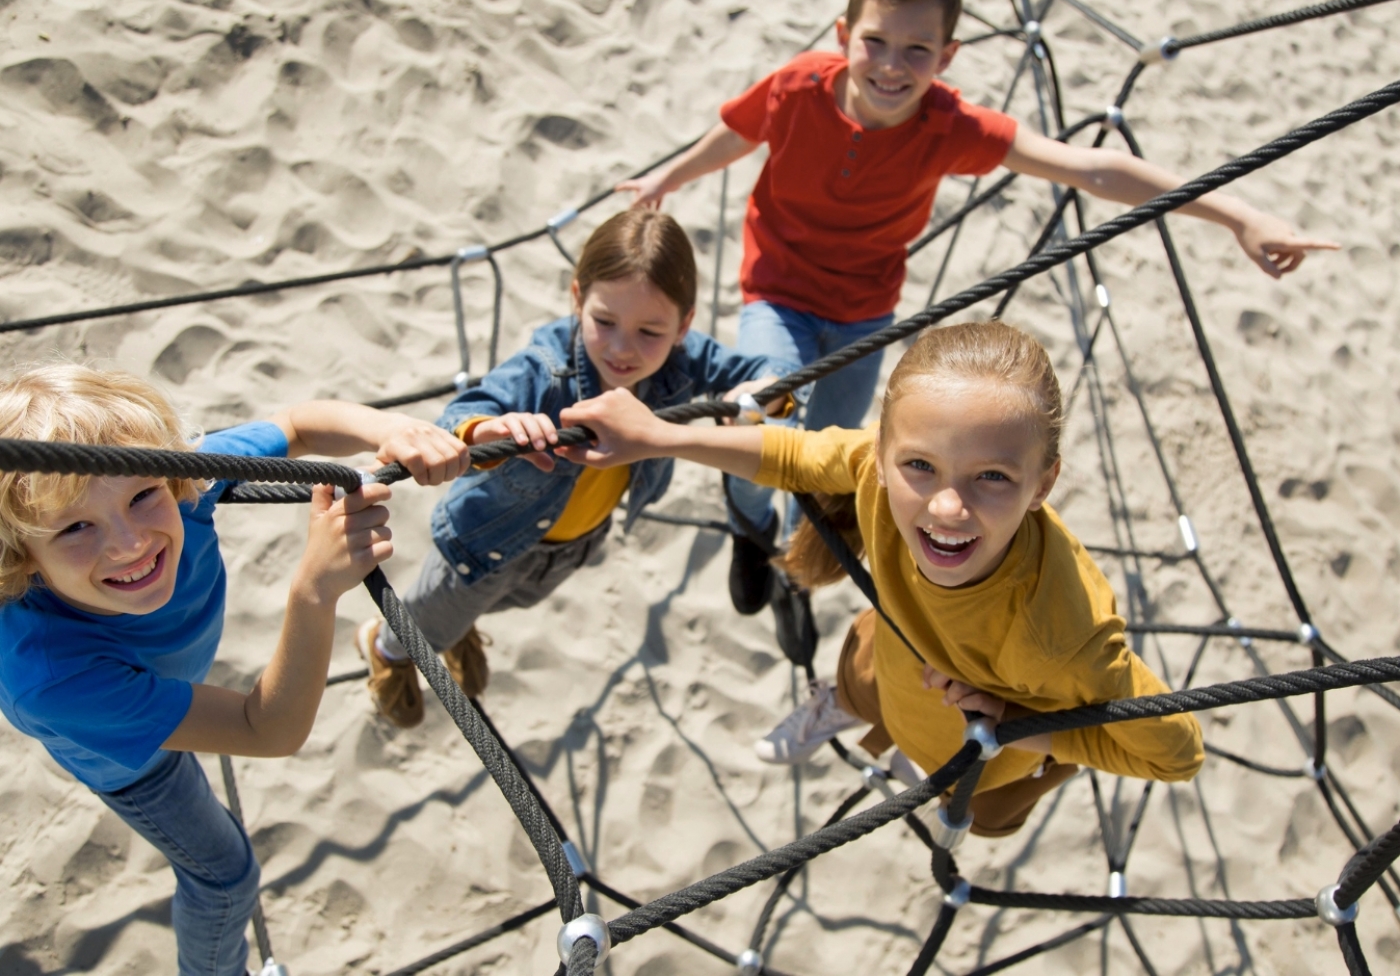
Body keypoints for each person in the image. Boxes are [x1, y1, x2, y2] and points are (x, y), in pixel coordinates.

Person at [619, 0, 1337, 617]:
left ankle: (802, 564)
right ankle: (751, 530)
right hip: (778, 293)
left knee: (834, 454)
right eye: (875, 41)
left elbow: (1091, 169)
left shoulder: (950, 125)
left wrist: (1236, 214)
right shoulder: (797, 87)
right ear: (843, 35)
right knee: (760, 415)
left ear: (948, 55)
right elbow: (740, 130)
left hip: (865, 312)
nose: (892, 66)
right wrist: (668, 177)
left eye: (917, 50)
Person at [557, 320, 1203, 838]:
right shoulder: (876, 468)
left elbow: (1176, 754)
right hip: (894, 662)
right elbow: (792, 454)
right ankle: (846, 706)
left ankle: (930, 766)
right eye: (919, 465)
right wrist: (658, 437)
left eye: (993, 477)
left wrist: (1021, 723)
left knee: (979, 814)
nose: (947, 507)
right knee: (861, 674)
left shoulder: (1062, 634)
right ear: (885, 449)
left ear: (1043, 484)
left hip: (979, 754)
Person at [0, 362, 470, 976]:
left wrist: (389, 429)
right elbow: (264, 729)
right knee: (225, 877)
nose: (130, 543)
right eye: (75, 528)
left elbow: (300, 424)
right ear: (22, 556)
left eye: (142, 496)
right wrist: (314, 591)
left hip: (169, 678)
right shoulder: (53, 680)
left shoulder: (184, 484)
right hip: (131, 761)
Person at [357, 207, 789, 727]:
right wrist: (485, 431)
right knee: (428, 620)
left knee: (510, 602)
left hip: (575, 542)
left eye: (650, 331)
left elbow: (767, 374)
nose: (623, 349)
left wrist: (761, 393)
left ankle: (455, 629)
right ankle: (384, 649)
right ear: (578, 298)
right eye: (604, 322)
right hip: (487, 541)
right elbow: (463, 415)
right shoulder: (545, 370)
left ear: (683, 325)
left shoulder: (681, 356)